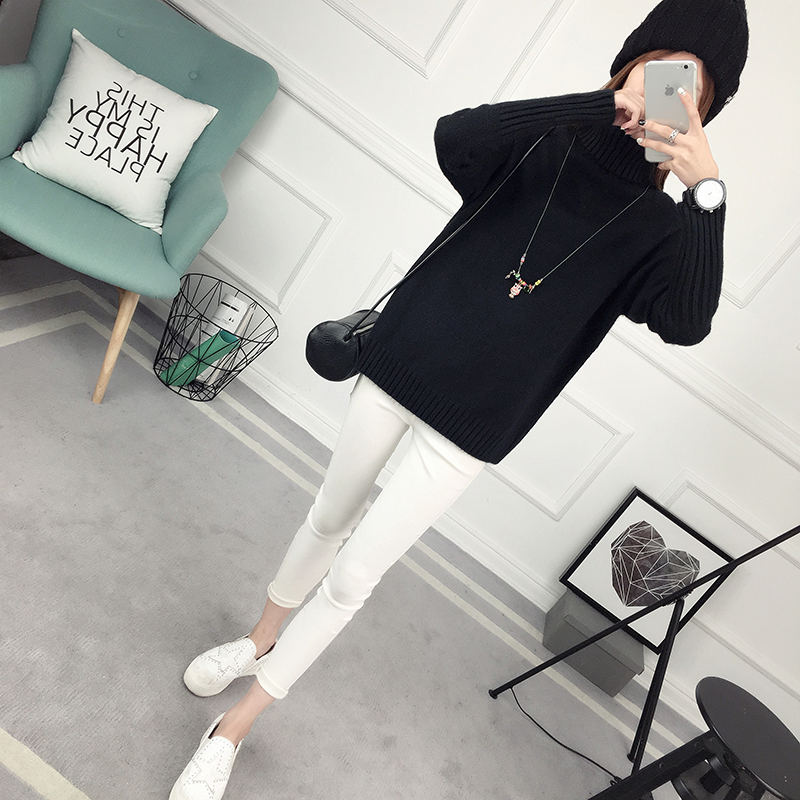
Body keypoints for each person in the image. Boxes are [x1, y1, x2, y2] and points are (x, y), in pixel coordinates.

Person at [169, 0, 749, 797]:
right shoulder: (546, 139)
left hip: (476, 424)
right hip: (401, 361)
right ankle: (259, 639)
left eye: (693, 92)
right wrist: (597, 105)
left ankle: (234, 727)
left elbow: (686, 322)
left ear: (706, 114)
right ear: (630, 64)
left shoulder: (660, 226)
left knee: (354, 577)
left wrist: (709, 191)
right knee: (329, 517)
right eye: (662, 71)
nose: (668, 97)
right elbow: (456, 138)